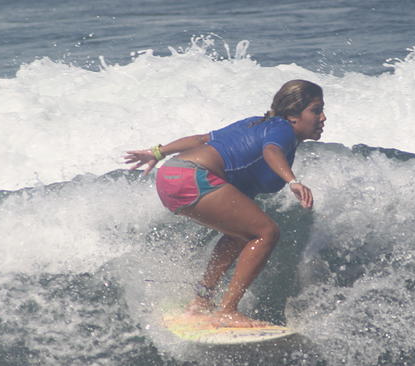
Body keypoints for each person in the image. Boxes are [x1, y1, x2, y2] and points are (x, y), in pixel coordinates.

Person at [124, 79, 326, 328]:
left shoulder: (255, 123)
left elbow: (202, 139)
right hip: (194, 176)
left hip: (172, 174)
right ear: (293, 114)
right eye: (316, 110)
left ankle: (201, 302)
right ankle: (228, 310)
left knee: (239, 235)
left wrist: (157, 152)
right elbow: (271, 152)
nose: (323, 117)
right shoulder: (282, 129)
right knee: (267, 232)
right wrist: (293, 181)